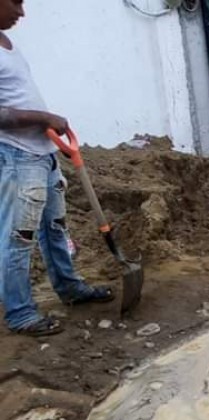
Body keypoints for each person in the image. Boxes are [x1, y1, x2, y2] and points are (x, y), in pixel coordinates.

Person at [0, 0, 113, 336]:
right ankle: (20, 314)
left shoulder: (9, 44)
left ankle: (69, 288)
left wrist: (51, 139)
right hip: (18, 157)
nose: (22, 13)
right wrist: (43, 118)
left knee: (56, 228)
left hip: (42, 153)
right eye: (15, 2)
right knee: (18, 237)